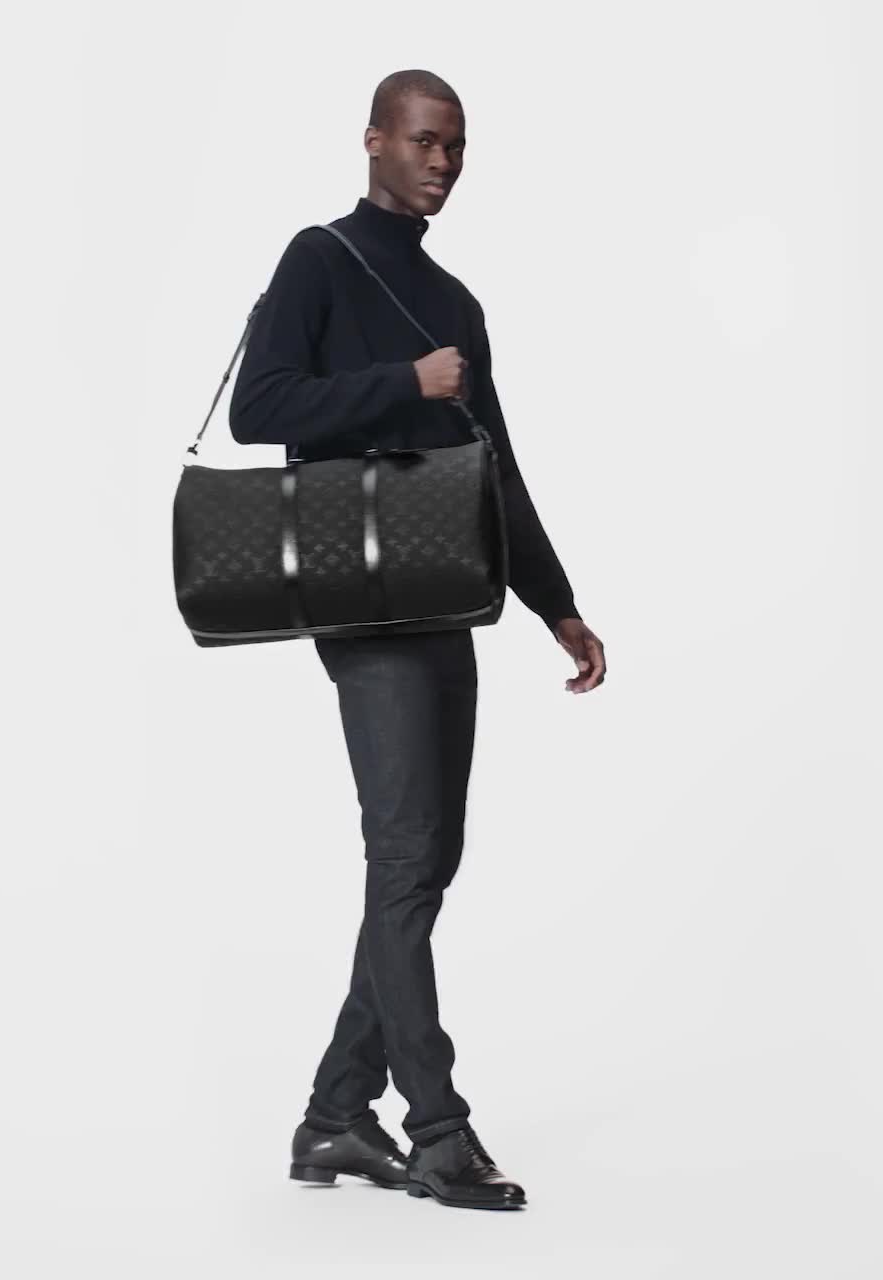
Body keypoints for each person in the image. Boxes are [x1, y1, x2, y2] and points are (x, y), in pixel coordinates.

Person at [228, 68, 607, 1211]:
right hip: (358, 596)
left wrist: (555, 602)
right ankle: (436, 1129)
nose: (440, 161)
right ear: (373, 141)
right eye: (423, 140)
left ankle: (334, 1114)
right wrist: (402, 380)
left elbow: (497, 464)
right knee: (402, 856)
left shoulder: (455, 302)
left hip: (446, 588)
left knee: (425, 859)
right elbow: (259, 407)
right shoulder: (318, 259)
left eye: (455, 145)